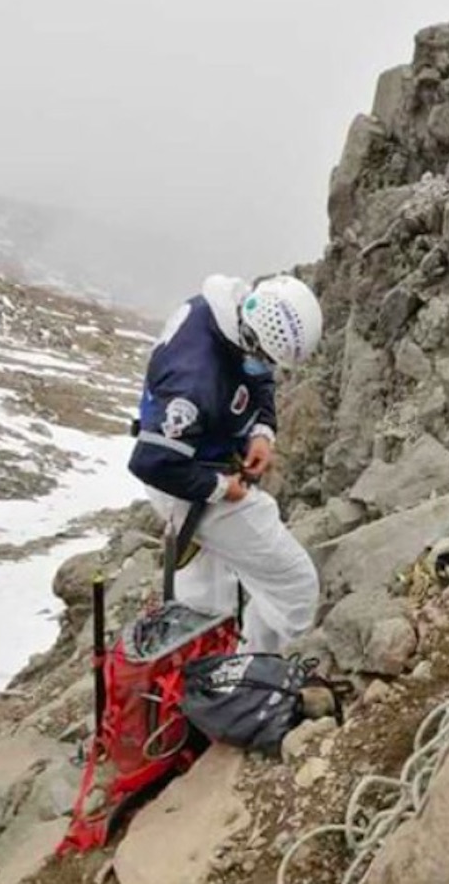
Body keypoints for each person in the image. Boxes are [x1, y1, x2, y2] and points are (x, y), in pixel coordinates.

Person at [129, 273, 324, 653]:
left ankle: (211, 678)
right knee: (295, 585)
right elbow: (152, 461)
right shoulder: (193, 380)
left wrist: (263, 430)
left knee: (208, 597)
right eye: (266, 358)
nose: (268, 369)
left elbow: (258, 378)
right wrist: (219, 488)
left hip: (204, 462)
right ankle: (258, 675)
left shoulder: (225, 316)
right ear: (251, 339)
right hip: (189, 479)